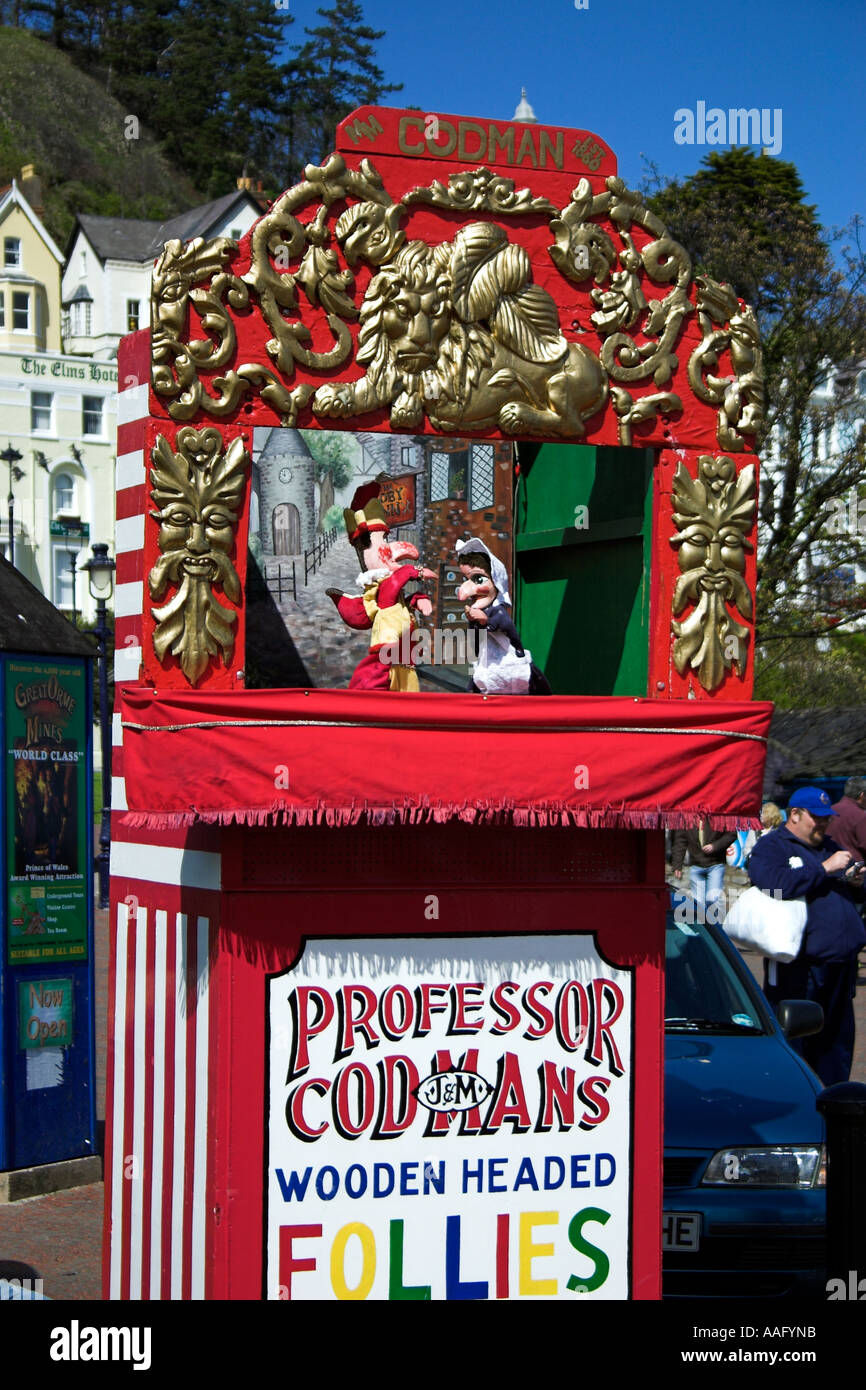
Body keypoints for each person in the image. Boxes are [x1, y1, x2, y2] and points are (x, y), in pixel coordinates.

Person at [747, 785, 866, 1086]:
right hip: (799, 967)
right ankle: (798, 1102)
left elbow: (849, 888)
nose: (824, 823)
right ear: (795, 815)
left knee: (835, 1046)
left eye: (827, 817)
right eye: (817, 817)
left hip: (840, 963)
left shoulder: (829, 844)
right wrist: (824, 869)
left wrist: (854, 882)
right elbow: (771, 884)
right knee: (796, 1042)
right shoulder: (773, 846)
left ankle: (832, 1103)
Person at [671, 821, 737, 919]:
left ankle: (719, 928)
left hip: (715, 864)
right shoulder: (687, 819)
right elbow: (680, 842)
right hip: (696, 865)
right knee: (698, 904)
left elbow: (732, 834)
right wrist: (677, 865)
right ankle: (704, 931)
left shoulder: (717, 816)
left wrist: (714, 846)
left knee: (713, 898)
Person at [830, 777, 866, 861]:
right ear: (862, 795)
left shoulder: (830, 810)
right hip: (854, 868)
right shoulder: (860, 815)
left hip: (830, 863)